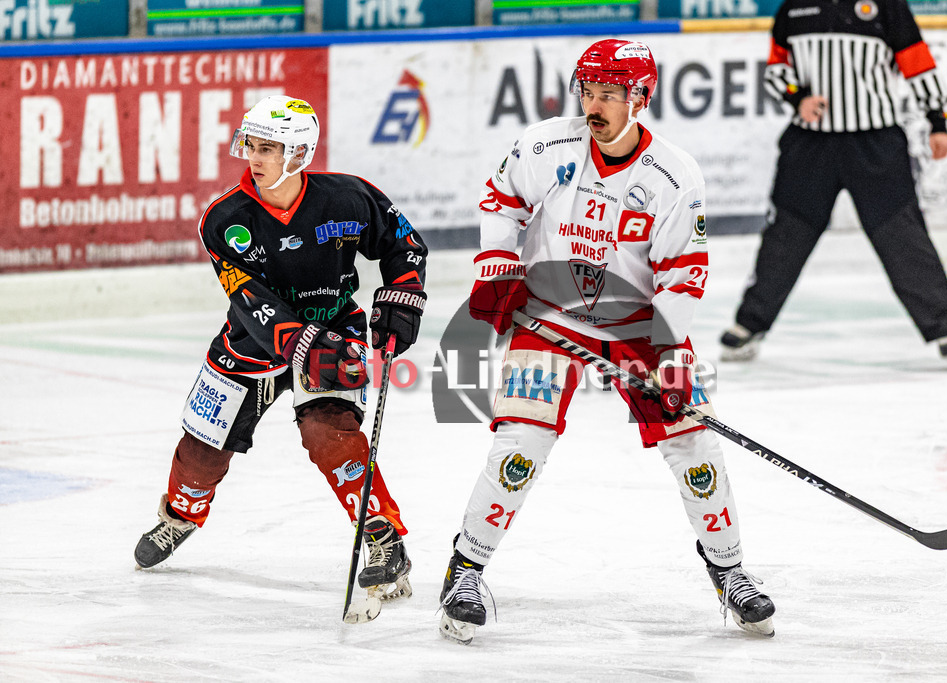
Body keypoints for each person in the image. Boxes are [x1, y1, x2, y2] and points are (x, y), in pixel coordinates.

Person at [437, 39, 775, 645]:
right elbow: (502, 199)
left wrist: (666, 357)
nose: (595, 105)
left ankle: (730, 572)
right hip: (548, 318)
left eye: (610, 95)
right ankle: (466, 570)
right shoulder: (547, 144)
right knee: (521, 446)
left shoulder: (674, 175)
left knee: (696, 446)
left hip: (639, 328)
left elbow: (683, 275)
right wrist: (497, 268)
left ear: (639, 99)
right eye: (588, 92)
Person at [133, 95, 428, 606]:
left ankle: (383, 537)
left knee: (329, 434)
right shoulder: (225, 219)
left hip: (335, 330)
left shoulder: (348, 198)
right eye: (251, 144)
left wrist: (402, 300)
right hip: (252, 343)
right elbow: (248, 299)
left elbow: (405, 244)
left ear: (298, 152)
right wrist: (299, 344)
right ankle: (180, 515)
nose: (254, 156)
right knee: (203, 450)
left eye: (269, 147)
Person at [720, 0, 947, 364]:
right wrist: (797, 98)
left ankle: (944, 326)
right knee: (786, 234)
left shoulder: (887, 6)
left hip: (875, 142)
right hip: (811, 146)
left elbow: (918, 64)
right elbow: (776, 70)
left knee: (901, 233)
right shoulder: (794, 8)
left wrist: (937, 122)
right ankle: (750, 323)